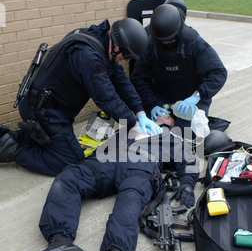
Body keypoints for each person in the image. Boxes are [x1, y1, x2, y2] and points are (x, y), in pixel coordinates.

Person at [19, 116, 199, 251]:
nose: (160, 116)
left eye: (165, 116)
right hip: (106, 161)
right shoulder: (129, 127)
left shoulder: (171, 138)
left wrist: (188, 185)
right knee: (67, 179)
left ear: (172, 122)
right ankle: (59, 242)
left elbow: (189, 161)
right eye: (156, 113)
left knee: (130, 199)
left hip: (141, 164)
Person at [0, 18, 161, 176]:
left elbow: (121, 81)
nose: (126, 60)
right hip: (43, 111)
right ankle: (13, 151)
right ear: (117, 46)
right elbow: (107, 98)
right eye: (126, 55)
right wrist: (133, 125)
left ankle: (13, 137)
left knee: (58, 145)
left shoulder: (101, 41)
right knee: (70, 161)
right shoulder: (88, 56)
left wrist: (140, 113)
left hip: (48, 107)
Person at [131, 2, 231, 154]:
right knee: (150, 134)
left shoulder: (193, 41)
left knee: (186, 136)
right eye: (162, 41)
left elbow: (218, 72)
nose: (165, 43)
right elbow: (139, 79)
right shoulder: (149, 42)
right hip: (161, 99)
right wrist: (153, 104)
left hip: (190, 99)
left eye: (169, 40)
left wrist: (197, 96)